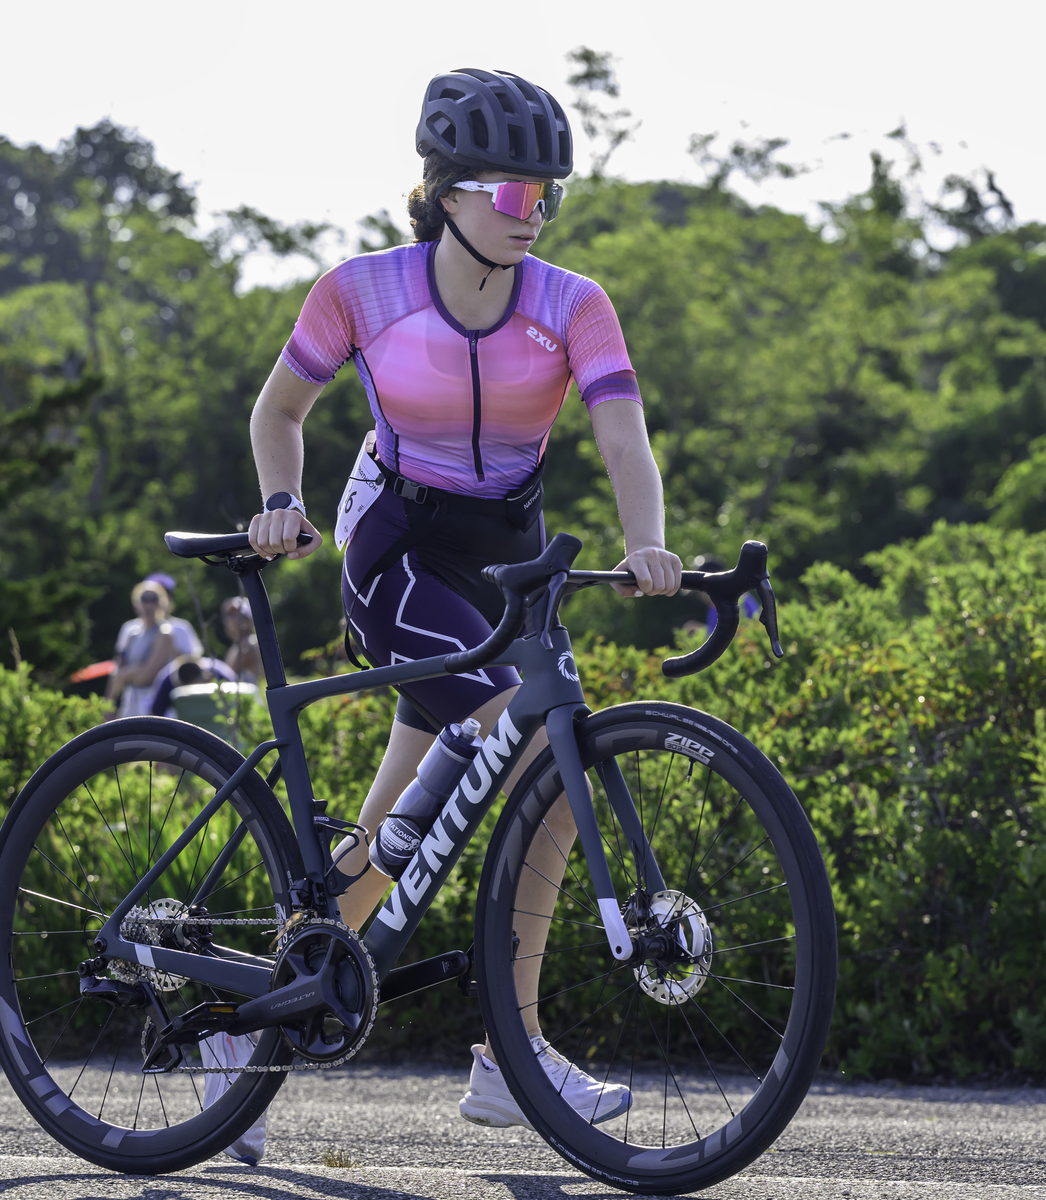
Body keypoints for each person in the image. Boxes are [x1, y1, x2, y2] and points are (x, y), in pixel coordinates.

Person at [245, 68, 680, 1144]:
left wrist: (649, 546)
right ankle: (518, 1053)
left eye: (551, 200)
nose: (537, 218)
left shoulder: (572, 304)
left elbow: (623, 433)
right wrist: (279, 503)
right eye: (520, 196)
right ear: (451, 193)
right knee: (530, 750)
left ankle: (247, 1028)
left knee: (450, 806)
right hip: (397, 543)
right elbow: (280, 410)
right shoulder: (365, 290)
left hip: (507, 556)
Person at [106, 580, 181, 718]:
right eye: (144, 599)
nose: (148, 604)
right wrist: (108, 707)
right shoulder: (131, 633)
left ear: (162, 603)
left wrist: (123, 676)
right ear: (137, 603)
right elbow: (117, 668)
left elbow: (148, 675)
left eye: (153, 599)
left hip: (154, 705)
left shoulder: (165, 633)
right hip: (129, 703)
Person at [220, 595, 264, 682]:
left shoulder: (250, 643)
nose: (232, 619)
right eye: (229, 615)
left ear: (248, 618)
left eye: (237, 614)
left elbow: (227, 675)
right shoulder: (236, 646)